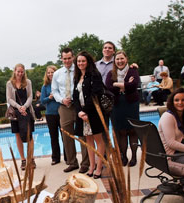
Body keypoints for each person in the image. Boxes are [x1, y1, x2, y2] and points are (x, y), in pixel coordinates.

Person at [52, 47, 89, 173]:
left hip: (79, 106)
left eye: (69, 58)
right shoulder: (57, 74)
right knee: (67, 136)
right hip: (64, 107)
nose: (67, 61)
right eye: (64, 58)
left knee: (83, 135)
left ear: (73, 57)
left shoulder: (79, 70)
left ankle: (86, 163)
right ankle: (72, 162)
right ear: (61, 59)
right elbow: (55, 91)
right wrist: (62, 100)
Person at [73, 51, 105, 179]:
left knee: (99, 141)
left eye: (83, 61)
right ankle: (91, 167)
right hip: (82, 114)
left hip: (93, 113)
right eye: (79, 61)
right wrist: (79, 111)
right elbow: (75, 97)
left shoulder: (94, 75)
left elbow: (95, 94)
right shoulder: (77, 76)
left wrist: (85, 111)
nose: (80, 63)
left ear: (88, 62)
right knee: (88, 141)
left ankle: (99, 167)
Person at [105, 51, 140, 167]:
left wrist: (117, 84)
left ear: (126, 59)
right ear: (114, 61)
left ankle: (134, 157)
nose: (120, 61)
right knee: (121, 132)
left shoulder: (133, 71)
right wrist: (124, 85)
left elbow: (134, 85)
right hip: (117, 105)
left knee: (133, 131)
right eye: (117, 59)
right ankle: (123, 156)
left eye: (122, 58)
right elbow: (108, 88)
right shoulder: (111, 73)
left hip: (131, 104)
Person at [6, 63, 36, 170]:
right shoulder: (10, 83)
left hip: (27, 111)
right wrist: (19, 107)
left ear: (24, 72)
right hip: (15, 113)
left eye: (22, 71)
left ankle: (31, 158)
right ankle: (23, 160)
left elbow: (30, 96)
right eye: (18, 71)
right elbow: (9, 99)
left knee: (29, 135)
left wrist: (24, 107)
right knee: (18, 135)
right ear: (14, 71)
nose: (20, 73)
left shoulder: (28, 82)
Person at [40, 65, 64, 165]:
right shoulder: (45, 86)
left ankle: (68, 157)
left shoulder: (60, 84)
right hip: (50, 114)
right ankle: (55, 158)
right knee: (54, 137)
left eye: (52, 72)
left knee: (64, 137)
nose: (50, 74)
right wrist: (50, 97)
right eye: (48, 72)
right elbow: (42, 101)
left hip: (62, 112)